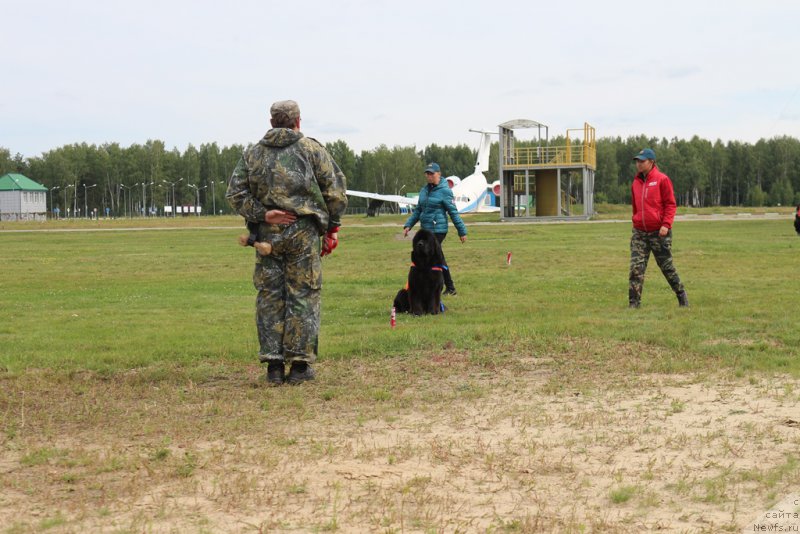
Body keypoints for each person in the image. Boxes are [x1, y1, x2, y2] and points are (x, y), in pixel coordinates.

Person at [226, 100, 347, 385]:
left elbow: (235, 194)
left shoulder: (253, 154)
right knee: (303, 295)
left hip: (266, 236)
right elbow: (335, 191)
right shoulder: (312, 150)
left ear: (271, 123)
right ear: (298, 121)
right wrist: (333, 229)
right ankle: (300, 366)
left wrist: (262, 213)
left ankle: (274, 367)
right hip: (303, 235)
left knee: (270, 297)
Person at [628, 148, 688, 308]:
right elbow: (635, 207)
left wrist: (666, 225)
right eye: (637, 161)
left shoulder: (662, 180)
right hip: (640, 233)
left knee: (666, 267)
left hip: (659, 233)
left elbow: (670, 204)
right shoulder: (635, 183)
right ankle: (634, 304)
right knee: (636, 268)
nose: (638, 164)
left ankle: (682, 296)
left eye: (642, 161)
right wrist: (636, 222)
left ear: (651, 162)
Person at [402, 162, 467, 295]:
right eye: (427, 173)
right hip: (426, 230)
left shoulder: (445, 191)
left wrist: (462, 231)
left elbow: (453, 212)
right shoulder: (424, 191)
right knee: (437, 257)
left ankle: (447, 287)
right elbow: (418, 210)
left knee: (436, 257)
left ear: (439, 174)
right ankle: (446, 287)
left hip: (438, 230)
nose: (429, 176)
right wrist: (408, 225)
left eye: (432, 173)